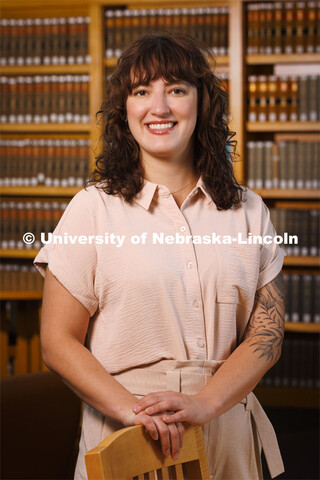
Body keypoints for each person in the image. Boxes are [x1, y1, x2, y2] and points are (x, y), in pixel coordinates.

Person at [34, 33, 286, 480]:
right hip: (130, 435)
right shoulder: (91, 209)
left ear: (201, 103)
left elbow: (267, 334)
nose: (160, 107)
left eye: (176, 89)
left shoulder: (249, 209)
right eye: (141, 91)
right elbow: (58, 341)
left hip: (226, 427)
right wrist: (134, 411)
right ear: (124, 109)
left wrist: (206, 403)